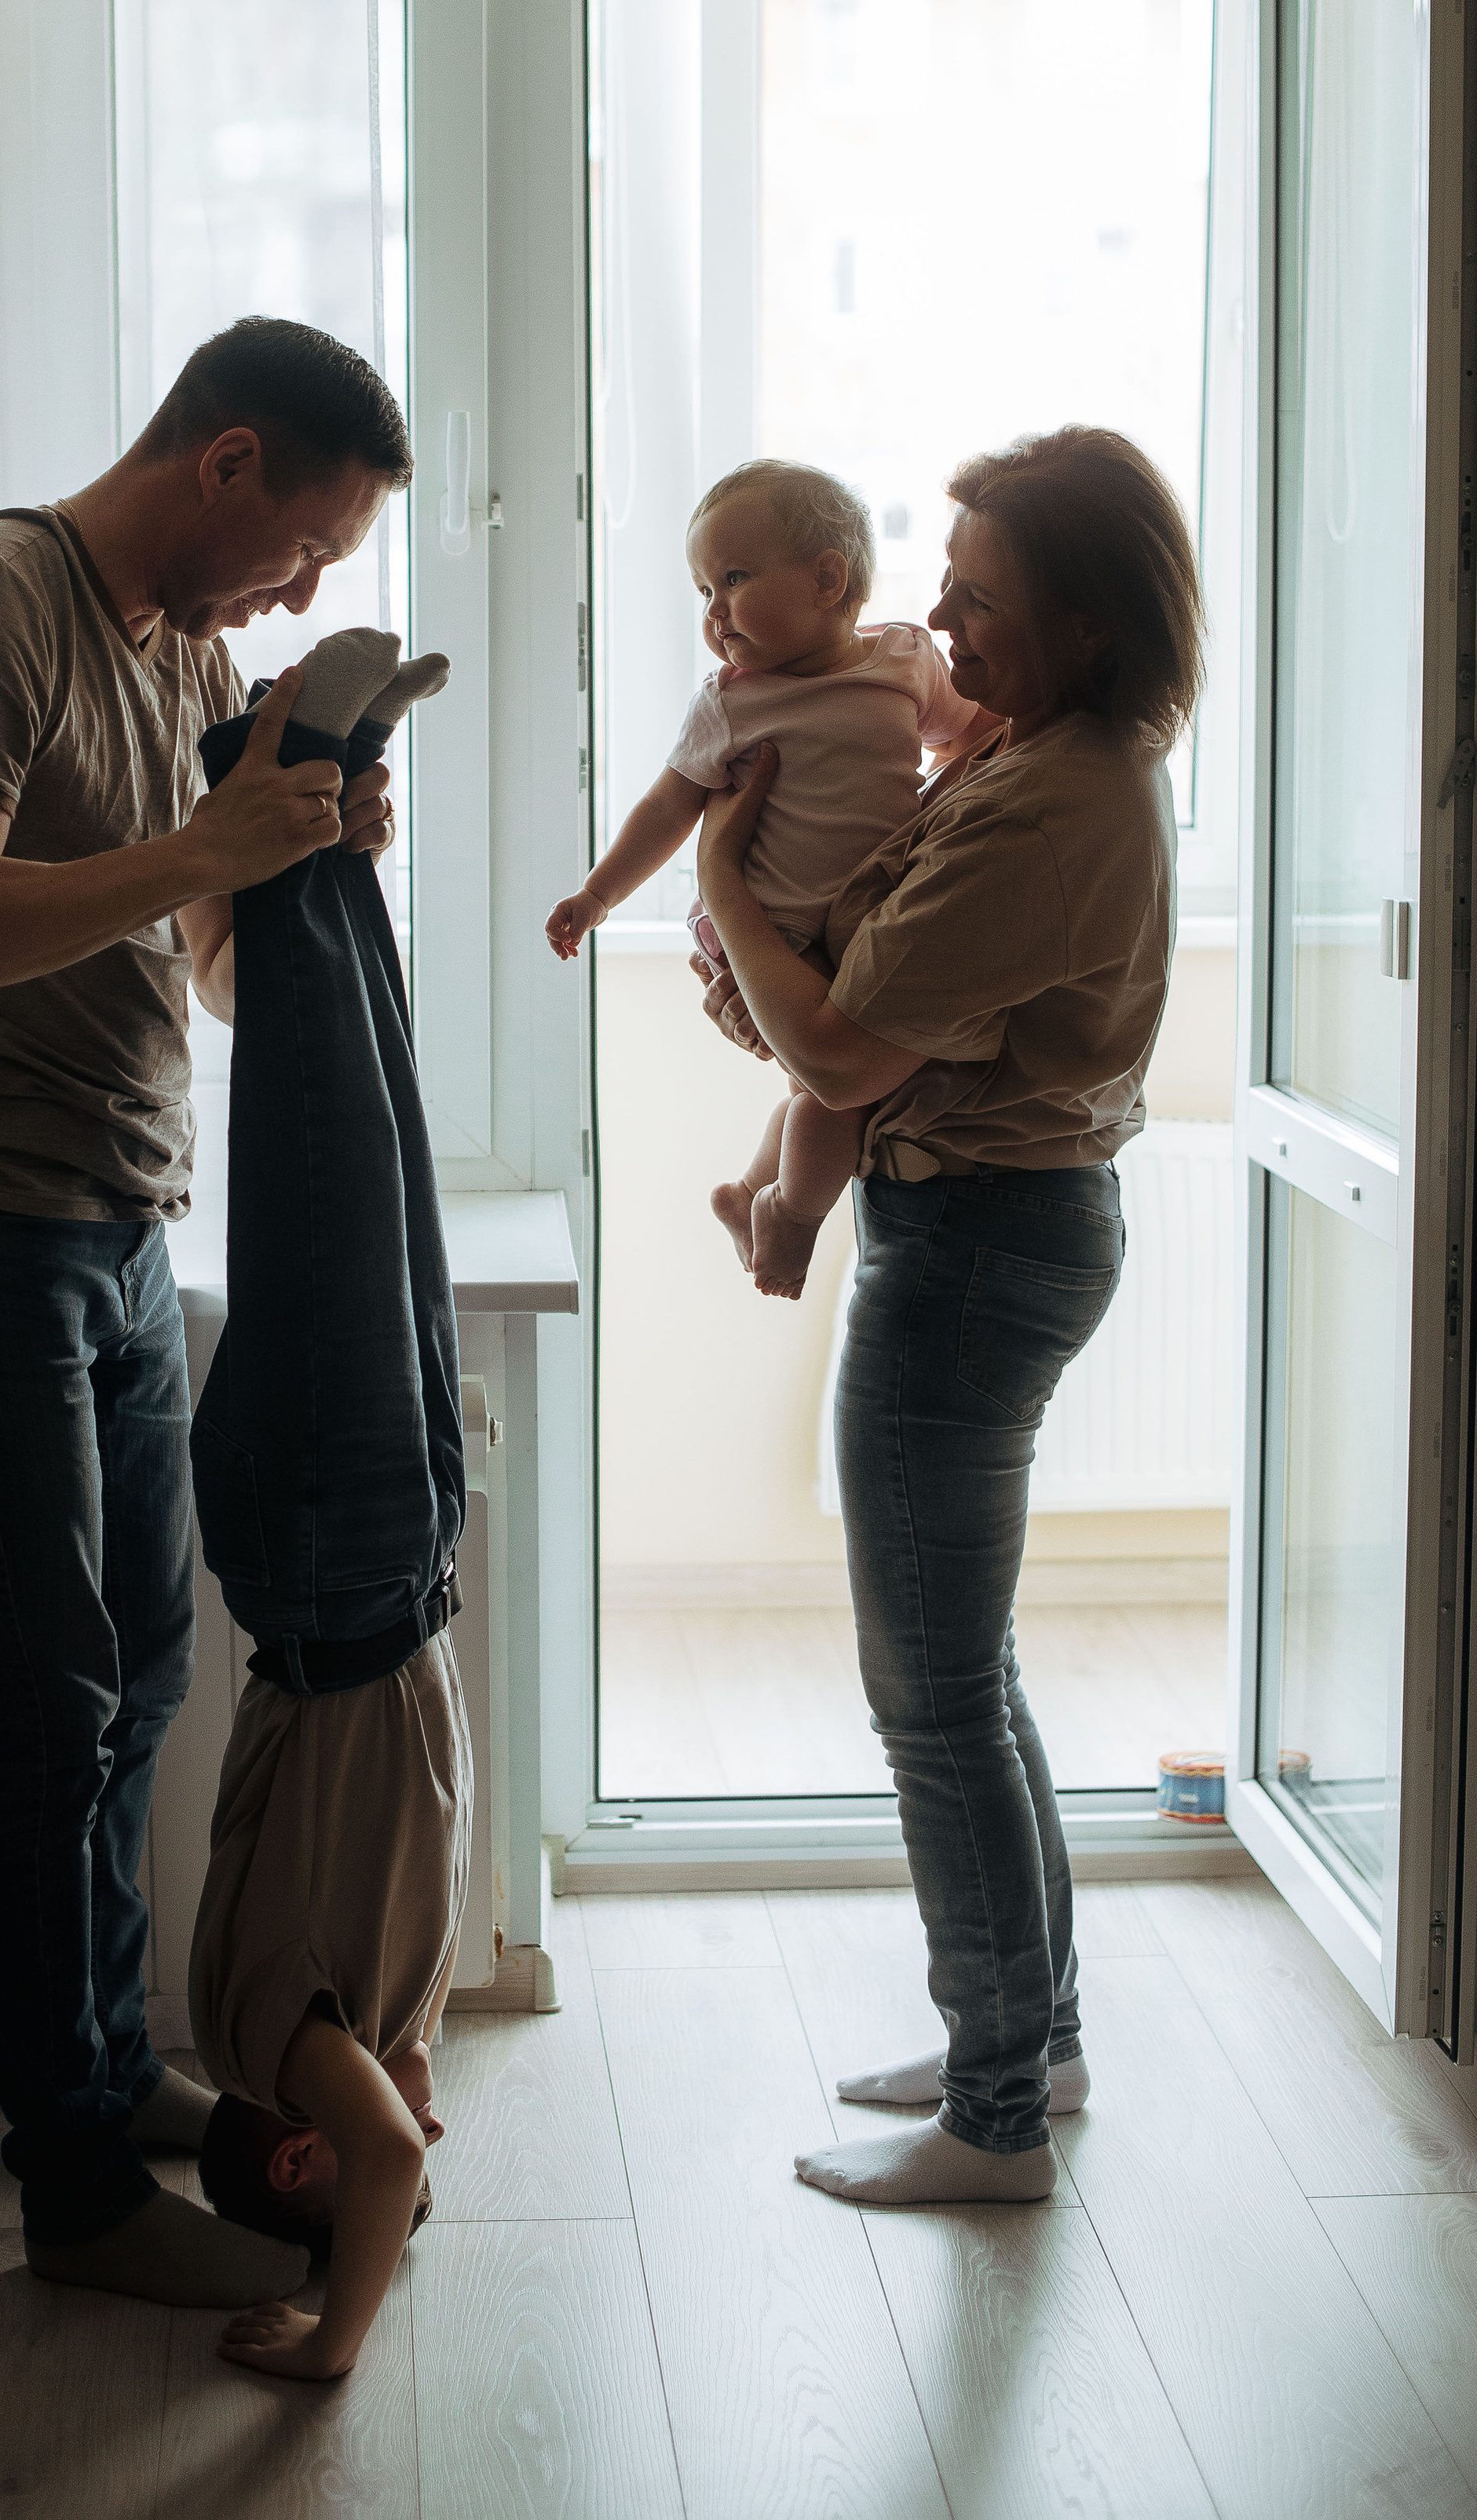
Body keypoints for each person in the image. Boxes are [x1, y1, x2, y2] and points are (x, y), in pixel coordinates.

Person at [0, 317, 411, 2307]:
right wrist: (197, 843)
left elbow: (208, 971)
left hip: (112, 1220)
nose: (304, 594)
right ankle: (69, 2186)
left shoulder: (186, 658)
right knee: (41, 1708)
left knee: (142, 1677)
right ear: (224, 459)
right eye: (306, 544)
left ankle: (101, 2067)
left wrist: (290, 862)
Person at [688, 424, 1203, 2208]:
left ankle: (991, 2114)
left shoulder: (1064, 799)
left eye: (976, 599)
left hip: (975, 1246)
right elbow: (853, 1005)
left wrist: (717, 894)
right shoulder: (1042, 760)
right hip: (984, 1223)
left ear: (1081, 622)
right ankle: (1028, 2039)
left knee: (927, 1701)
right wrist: (774, 963)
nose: (936, 620)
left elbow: (834, 1043)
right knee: (963, 1675)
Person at [178, 626, 471, 2385]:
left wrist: (327, 2336)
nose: (417, 2131)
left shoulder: (266, 2038)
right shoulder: (371, 2009)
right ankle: (328, 783)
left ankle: (268, 762)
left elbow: (367, 2152)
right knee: (382, 1134)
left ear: (301, 2153)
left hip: (318, 1545)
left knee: (307, 1154)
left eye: (394, 2166)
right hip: (395, 1551)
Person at [546, 461, 982, 1296]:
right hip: (775, 926)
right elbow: (667, 807)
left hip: (859, 929)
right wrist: (597, 895)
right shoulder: (731, 702)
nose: (712, 612)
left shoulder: (903, 660)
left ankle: (749, 1190)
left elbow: (970, 730)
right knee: (835, 1091)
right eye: (703, 590)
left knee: (827, 1083)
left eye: (733, 580)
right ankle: (790, 1219)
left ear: (827, 579)